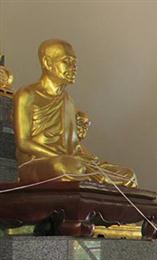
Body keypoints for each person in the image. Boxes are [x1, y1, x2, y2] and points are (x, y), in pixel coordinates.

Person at [13, 39, 137, 187]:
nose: (73, 68)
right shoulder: (27, 94)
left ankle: (94, 176)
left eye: (74, 63)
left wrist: (93, 161)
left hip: (71, 161)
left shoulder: (68, 101)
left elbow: (73, 144)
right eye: (66, 62)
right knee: (68, 167)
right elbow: (24, 143)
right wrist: (67, 159)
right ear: (47, 63)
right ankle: (89, 175)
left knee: (128, 175)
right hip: (40, 162)